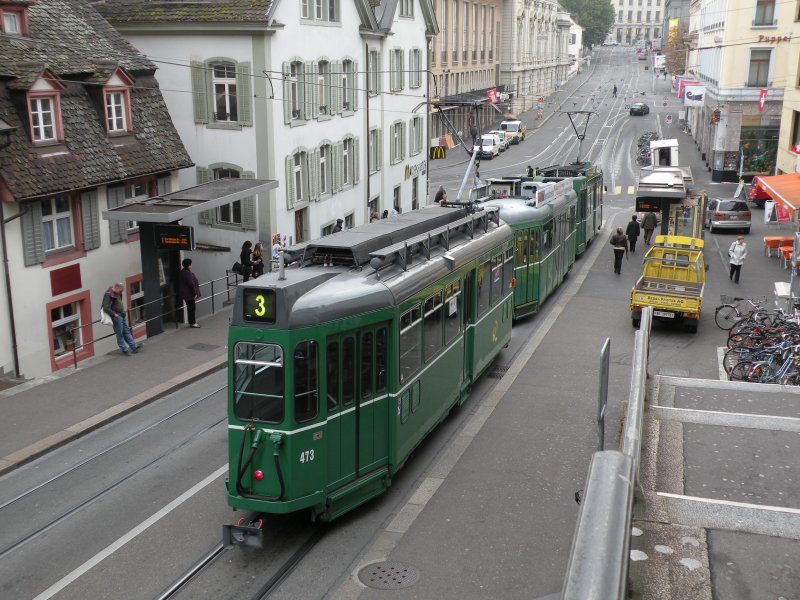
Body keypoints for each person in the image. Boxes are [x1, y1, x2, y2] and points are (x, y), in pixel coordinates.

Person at [102, 282, 141, 356]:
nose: (121, 292)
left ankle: (134, 346)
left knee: (126, 331)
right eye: (121, 291)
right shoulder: (108, 294)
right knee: (119, 333)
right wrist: (114, 314)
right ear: (116, 288)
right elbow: (105, 308)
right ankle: (124, 349)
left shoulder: (117, 293)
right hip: (116, 317)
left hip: (121, 315)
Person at [178, 258, 201, 328]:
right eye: (191, 264)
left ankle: (192, 322)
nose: (192, 266)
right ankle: (193, 323)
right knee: (191, 308)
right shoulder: (187, 273)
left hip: (186, 294)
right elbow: (191, 284)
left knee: (190, 308)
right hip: (189, 294)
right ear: (188, 265)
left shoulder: (183, 272)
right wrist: (194, 293)